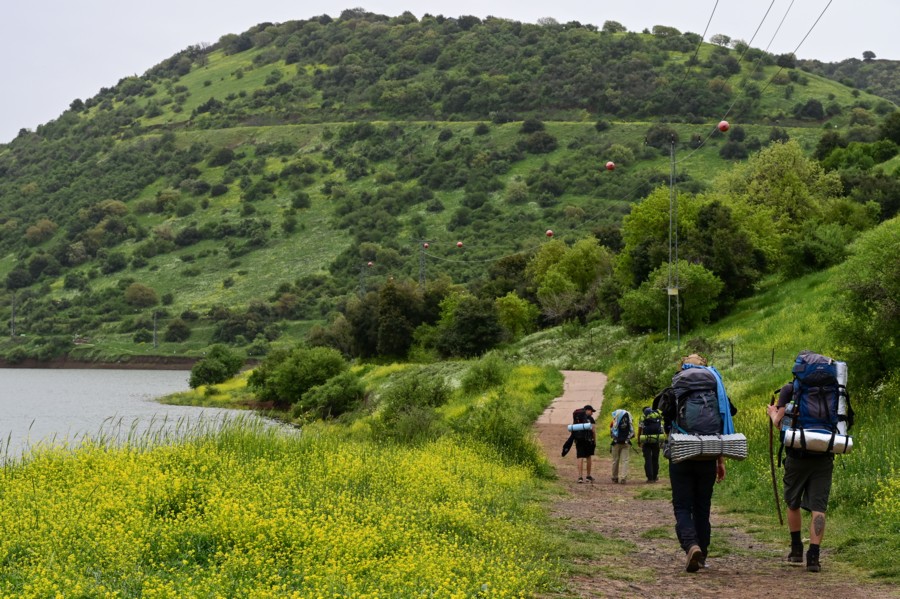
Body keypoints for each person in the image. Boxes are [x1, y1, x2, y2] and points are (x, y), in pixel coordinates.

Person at [657, 353, 735, 572]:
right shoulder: (715, 387)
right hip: (708, 455)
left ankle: (691, 545)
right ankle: (703, 554)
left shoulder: (677, 387)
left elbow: (666, 420)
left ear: (682, 366)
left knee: (682, 505)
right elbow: (724, 418)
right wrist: (720, 460)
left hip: (682, 453)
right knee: (703, 506)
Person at [767, 381, 835, 573]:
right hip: (824, 455)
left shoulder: (790, 389)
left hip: (797, 456)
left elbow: (782, 425)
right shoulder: (831, 389)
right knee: (819, 508)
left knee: (793, 502)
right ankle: (814, 557)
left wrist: (772, 413)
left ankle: (796, 550)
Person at [637, 406, 663, 483]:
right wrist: (661, 440)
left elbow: (639, 431)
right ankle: (655, 476)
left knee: (647, 459)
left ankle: (650, 478)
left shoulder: (643, 417)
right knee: (655, 458)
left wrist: (639, 441)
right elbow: (661, 428)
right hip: (656, 440)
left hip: (646, 440)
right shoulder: (657, 416)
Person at [609, 408, 633, 484]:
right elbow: (633, 433)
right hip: (626, 443)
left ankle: (615, 477)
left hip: (616, 443)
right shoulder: (629, 420)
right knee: (625, 461)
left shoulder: (614, 422)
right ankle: (623, 478)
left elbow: (611, 433)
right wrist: (627, 438)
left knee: (615, 460)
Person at [574, 405, 597, 483]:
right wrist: (594, 441)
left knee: (580, 457)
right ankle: (588, 476)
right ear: (587, 410)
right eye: (591, 411)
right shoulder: (590, 419)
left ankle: (580, 477)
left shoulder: (577, 417)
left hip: (579, 440)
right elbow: (593, 431)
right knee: (588, 457)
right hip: (588, 440)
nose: (592, 413)